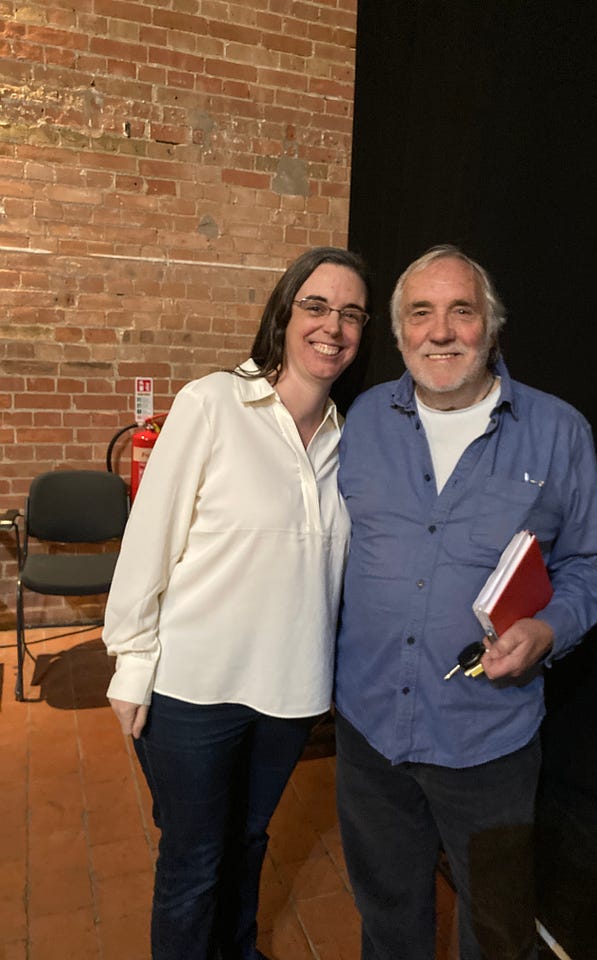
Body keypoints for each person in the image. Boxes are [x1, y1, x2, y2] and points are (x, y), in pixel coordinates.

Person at [334, 244, 597, 960]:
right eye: (420, 313)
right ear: (398, 334)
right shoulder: (362, 422)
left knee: (496, 931)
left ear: (490, 327)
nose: (441, 331)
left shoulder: (558, 432)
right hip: (369, 733)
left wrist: (550, 628)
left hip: (486, 740)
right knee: (387, 919)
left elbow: (590, 563)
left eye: (461, 311)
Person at [102, 246, 370, 960]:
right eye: (316, 306)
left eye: (351, 314)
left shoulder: (353, 438)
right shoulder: (213, 402)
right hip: (195, 688)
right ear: (284, 314)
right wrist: (131, 661)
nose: (332, 327)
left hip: (289, 691)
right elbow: (148, 539)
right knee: (193, 862)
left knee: (249, 840)